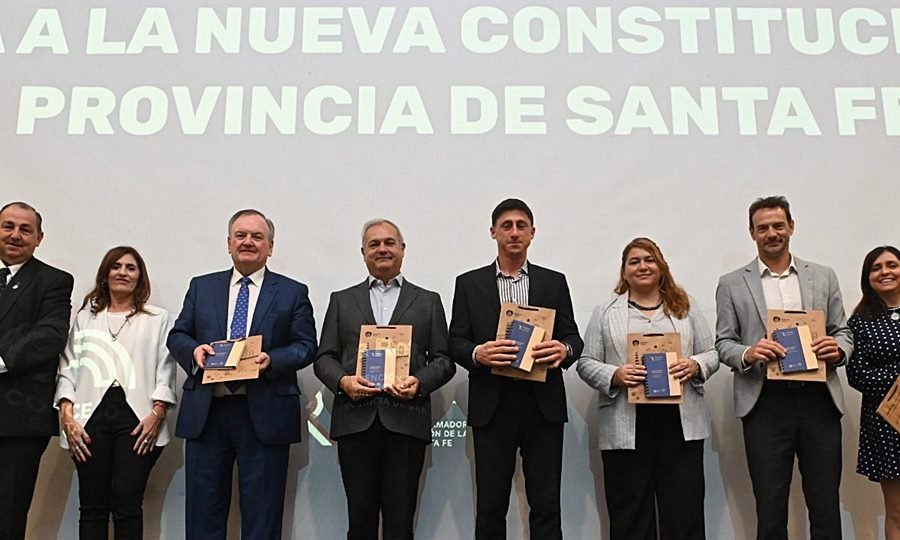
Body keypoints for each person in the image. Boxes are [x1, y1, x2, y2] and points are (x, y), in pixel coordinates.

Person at [167, 209, 317, 539]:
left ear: (271, 246)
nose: (248, 242)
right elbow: (177, 335)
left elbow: (307, 346)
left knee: (262, 518)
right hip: (208, 414)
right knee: (202, 515)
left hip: (263, 414)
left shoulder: (292, 292)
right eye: (241, 235)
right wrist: (194, 352)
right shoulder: (202, 286)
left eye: (257, 237)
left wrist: (272, 360)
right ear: (229, 243)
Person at [715, 195, 852, 540]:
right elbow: (723, 343)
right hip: (765, 402)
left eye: (778, 225)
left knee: (824, 502)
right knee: (770, 504)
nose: (772, 233)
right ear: (752, 233)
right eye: (763, 228)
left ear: (791, 226)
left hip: (819, 400)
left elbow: (843, 331)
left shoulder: (822, 275)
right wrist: (749, 353)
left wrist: (837, 349)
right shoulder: (732, 283)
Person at [448, 198, 583, 540]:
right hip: (492, 406)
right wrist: (480, 353)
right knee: (491, 507)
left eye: (521, 225)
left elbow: (573, 338)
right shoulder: (469, 283)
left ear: (532, 233)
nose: (514, 232)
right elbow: (456, 342)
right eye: (506, 226)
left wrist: (563, 349)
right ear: (493, 232)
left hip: (543, 405)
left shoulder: (554, 282)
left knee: (547, 504)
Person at [314, 219, 456, 539]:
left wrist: (419, 382)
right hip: (355, 421)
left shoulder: (428, 300)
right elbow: (324, 358)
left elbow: (445, 361)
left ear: (402, 249)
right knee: (359, 521)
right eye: (374, 244)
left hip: (406, 421)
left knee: (400, 523)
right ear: (363, 253)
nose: (382, 249)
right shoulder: (341, 299)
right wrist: (343, 382)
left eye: (389, 242)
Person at [577, 237, 719, 540]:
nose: (642, 266)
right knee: (630, 516)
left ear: (661, 266)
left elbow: (713, 353)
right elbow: (586, 362)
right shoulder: (605, 312)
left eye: (649, 259)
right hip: (627, 427)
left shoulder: (685, 308)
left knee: (685, 514)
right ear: (624, 271)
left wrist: (694, 365)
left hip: (681, 426)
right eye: (634, 261)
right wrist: (616, 374)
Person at [55, 246, 176, 539]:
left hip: (139, 420)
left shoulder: (157, 318)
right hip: (87, 420)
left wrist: (157, 414)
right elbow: (67, 367)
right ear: (105, 275)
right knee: (92, 506)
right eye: (116, 266)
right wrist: (67, 417)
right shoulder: (86, 318)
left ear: (140, 277)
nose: (123, 272)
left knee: (127, 504)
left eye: (131, 267)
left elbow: (165, 368)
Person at [0, 201, 74, 539]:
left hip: (17, 418)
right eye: (8, 226)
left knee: (9, 513)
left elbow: (49, 335)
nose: (15, 235)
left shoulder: (54, 281)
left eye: (25, 229)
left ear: (39, 238)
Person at [847, 245, 900, 540]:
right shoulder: (860, 322)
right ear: (868, 278)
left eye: (892, 265)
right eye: (876, 268)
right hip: (887, 425)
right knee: (896, 510)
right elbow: (857, 376)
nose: (885, 272)